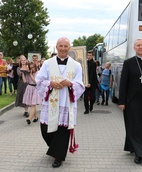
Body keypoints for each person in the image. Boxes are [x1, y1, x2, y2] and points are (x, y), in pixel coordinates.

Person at [36, 37, 85, 168]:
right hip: (51, 102)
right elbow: (39, 81)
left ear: (69, 48)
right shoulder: (47, 63)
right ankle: (54, 148)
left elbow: (80, 85)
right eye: (60, 46)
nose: (63, 48)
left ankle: (58, 156)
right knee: (45, 130)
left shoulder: (76, 65)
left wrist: (70, 84)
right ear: (56, 47)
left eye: (65, 46)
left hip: (66, 103)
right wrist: (50, 83)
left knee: (62, 130)